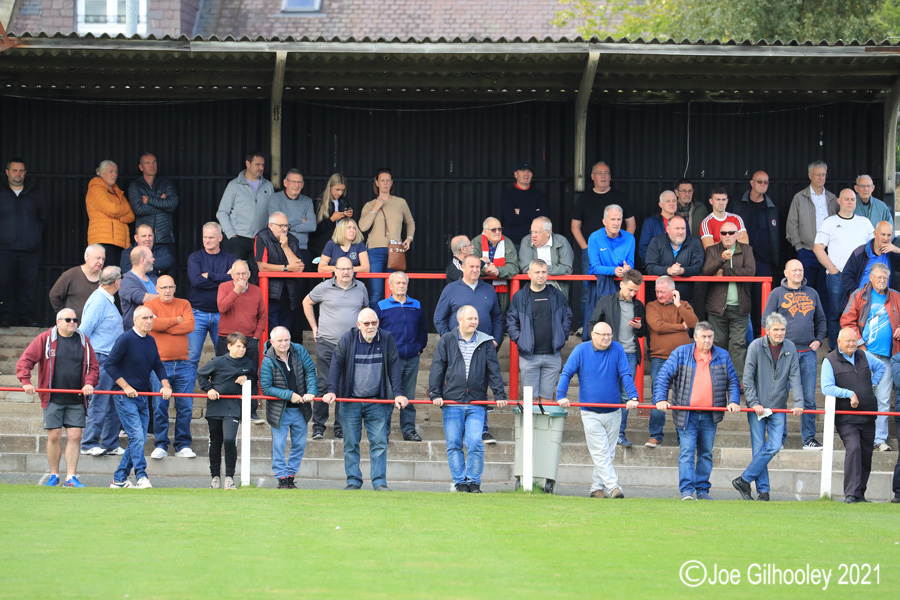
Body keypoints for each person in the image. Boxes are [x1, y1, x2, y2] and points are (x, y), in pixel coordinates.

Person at [653, 322, 741, 500]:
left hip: (710, 414)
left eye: (710, 337)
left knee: (706, 452)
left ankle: (702, 491)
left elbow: (732, 380)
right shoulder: (681, 353)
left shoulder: (722, 355)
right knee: (687, 451)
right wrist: (660, 398)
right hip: (686, 414)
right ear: (695, 337)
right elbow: (663, 376)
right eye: (704, 337)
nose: (707, 340)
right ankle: (686, 491)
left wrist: (733, 400)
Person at [323, 308, 408, 491]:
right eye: (367, 323)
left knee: (379, 443)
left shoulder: (386, 338)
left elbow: (394, 366)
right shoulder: (348, 339)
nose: (371, 327)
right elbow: (336, 364)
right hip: (350, 401)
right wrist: (331, 390)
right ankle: (353, 481)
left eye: (374, 323)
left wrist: (399, 393)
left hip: (377, 401)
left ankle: (379, 483)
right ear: (358, 325)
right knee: (350, 443)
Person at [16, 308, 99, 488]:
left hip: (76, 397)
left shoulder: (84, 341)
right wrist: (26, 381)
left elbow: (93, 366)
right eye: (68, 320)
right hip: (52, 397)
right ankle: (54, 475)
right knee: (54, 436)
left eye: (75, 320)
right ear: (58, 322)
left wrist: (89, 383)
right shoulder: (45, 339)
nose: (72, 323)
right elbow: (25, 361)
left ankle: (71, 477)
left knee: (75, 436)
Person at [556, 321, 639, 499]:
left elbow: (626, 374)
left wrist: (633, 396)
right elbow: (567, 373)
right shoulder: (580, 350)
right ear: (593, 335)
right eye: (603, 335)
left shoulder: (617, 349)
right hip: (590, 412)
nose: (607, 338)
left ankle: (596, 488)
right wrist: (561, 396)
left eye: (609, 334)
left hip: (614, 411)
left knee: (608, 453)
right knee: (600, 453)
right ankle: (613, 487)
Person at [430, 305, 507, 493]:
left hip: (476, 402)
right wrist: (435, 393)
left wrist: (499, 394)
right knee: (454, 444)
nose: (474, 322)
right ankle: (459, 482)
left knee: (474, 442)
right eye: (470, 318)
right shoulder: (447, 340)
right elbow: (437, 367)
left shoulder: (486, 341)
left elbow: (493, 370)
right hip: (452, 402)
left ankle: (474, 482)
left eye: (476, 318)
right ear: (460, 320)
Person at [731, 313, 804, 501]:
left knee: (774, 446)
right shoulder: (755, 346)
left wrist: (798, 402)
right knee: (759, 448)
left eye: (782, 330)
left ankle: (744, 479)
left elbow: (795, 376)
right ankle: (763, 491)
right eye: (776, 330)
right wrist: (754, 402)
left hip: (778, 406)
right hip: (757, 408)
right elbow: (747, 378)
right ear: (767, 330)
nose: (780, 333)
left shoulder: (790, 347)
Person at [433, 254, 503, 444]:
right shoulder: (451, 289)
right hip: (457, 348)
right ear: (462, 268)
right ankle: (459, 431)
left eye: (477, 267)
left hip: (484, 347)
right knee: (459, 383)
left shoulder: (488, 289)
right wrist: (449, 340)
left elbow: (497, 317)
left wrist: (496, 340)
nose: (474, 270)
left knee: (482, 386)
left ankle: (482, 429)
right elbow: (439, 318)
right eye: (470, 266)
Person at [106, 305, 173, 489]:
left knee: (139, 438)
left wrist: (165, 384)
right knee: (137, 437)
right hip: (125, 396)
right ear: (135, 320)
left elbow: (158, 365)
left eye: (151, 318)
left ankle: (119, 478)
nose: (149, 321)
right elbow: (110, 365)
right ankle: (141, 476)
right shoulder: (125, 339)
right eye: (145, 318)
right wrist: (126, 387)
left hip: (143, 397)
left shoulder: (150, 341)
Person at [763, 260, 827, 450]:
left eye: (801, 269)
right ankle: (778, 440)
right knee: (780, 397)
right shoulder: (776, 294)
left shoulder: (812, 293)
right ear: (786, 272)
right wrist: (776, 343)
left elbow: (821, 319)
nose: (798, 273)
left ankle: (809, 439)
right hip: (784, 354)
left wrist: (819, 340)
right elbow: (766, 320)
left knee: (809, 398)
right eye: (794, 270)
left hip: (808, 352)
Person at [302, 256, 369, 439]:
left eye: (349, 269)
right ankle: (318, 426)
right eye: (342, 269)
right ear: (335, 271)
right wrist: (314, 327)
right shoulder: (324, 287)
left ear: (353, 270)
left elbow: (365, 310)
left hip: (352, 344)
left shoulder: (361, 288)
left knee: (346, 386)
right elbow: (306, 302)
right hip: (327, 343)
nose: (346, 272)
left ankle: (340, 428)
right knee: (324, 384)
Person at [840, 263, 900, 453]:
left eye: (885, 278)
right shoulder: (859, 295)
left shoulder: (896, 296)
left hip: (888, 356)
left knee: (883, 398)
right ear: (871, 278)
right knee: (862, 395)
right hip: (863, 355)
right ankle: (859, 435)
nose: (882, 281)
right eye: (879, 277)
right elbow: (847, 321)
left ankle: (879, 439)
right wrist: (861, 346)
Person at [822, 327, 885, 503]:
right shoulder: (830, 360)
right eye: (848, 341)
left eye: (854, 341)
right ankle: (850, 493)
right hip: (846, 418)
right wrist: (849, 393)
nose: (851, 344)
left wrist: (872, 385)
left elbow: (880, 367)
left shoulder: (864, 355)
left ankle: (860, 494)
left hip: (868, 414)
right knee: (854, 449)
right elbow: (826, 387)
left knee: (866, 454)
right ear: (839, 342)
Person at [588, 269, 646, 447]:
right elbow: (592, 324)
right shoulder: (606, 301)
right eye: (630, 289)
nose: (632, 294)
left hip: (629, 354)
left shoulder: (638, 306)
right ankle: (604, 431)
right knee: (605, 392)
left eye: (635, 291)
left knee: (626, 395)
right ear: (621, 284)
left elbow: (644, 333)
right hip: (608, 352)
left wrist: (639, 326)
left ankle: (619, 432)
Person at [815, 188, 875, 349]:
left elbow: (874, 247)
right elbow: (818, 248)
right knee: (836, 314)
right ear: (839, 201)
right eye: (846, 199)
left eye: (853, 199)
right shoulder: (830, 222)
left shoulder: (864, 222)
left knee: (862, 312)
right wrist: (833, 270)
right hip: (838, 277)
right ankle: (836, 350)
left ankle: (859, 349)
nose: (850, 202)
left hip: (861, 278)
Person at [197, 332, 257, 490]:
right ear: (229, 346)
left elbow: (254, 380)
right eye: (238, 346)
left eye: (244, 347)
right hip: (216, 406)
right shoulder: (217, 361)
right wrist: (209, 389)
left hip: (234, 407)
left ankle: (230, 478)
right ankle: (215, 477)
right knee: (215, 442)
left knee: (230, 440)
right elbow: (201, 375)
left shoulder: (248, 363)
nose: (241, 349)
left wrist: (247, 379)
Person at [145, 275, 196, 460]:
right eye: (163, 287)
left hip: (183, 363)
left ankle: (183, 444)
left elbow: (190, 325)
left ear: (175, 288)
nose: (167, 290)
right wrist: (176, 320)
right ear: (156, 289)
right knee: (160, 406)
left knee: (185, 406)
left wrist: (165, 326)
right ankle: (161, 444)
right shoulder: (150, 306)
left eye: (171, 287)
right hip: (160, 365)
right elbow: (152, 323)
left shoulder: (184, 303)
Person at [507, 259, 572, 406]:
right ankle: (530, 429)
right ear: (529, 274)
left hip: (552, 355)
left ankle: (544, 430)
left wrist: (563, 335)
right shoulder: (520, 296)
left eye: (543, 272)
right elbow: (511, 321)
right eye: (537, 272)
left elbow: (567, 316)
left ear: (547, 274)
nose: (540, 275)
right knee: (530, 401)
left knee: (548, 399)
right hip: (529, 355)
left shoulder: (557, 295)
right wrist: (519, 339)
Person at [644, 276, 699, 448]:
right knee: (658, 397)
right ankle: (656, 435)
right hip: (660, 358)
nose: (659, 295)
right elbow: (658, 326)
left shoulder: (683, 305)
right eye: (657, 291)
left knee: (683, 398)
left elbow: (694, 324)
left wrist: (678, 305)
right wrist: (681, 328)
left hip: (683, 360)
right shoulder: (652, 306)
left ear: (673, 292)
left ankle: (682, 435)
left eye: (663, 292)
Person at [260, 326, 317, 489]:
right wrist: (289, 394)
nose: (284, 343)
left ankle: (291, 476)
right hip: (280, 411)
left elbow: (311, 372)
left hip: (301, 409)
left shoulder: (299, 350)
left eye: (287, 340)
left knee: (299, 445)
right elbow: (266, 388)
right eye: (280, 341)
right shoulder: (267, 360)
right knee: (278, 445)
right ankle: (281, 478)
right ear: (272, 342)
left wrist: (311, 391)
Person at [374, 271, 428, 441]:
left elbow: (422, 329)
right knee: (389, 396)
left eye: (404, 283)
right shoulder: (381, 306)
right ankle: (385, 431)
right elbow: (376, 332)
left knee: (409, 396)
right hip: (390, 359)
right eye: (397, 283)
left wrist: (419, 348)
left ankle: (409, 430)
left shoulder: (416, 305)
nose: (401, 286)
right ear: (390, 286)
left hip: (412, 357)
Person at [79, 266, 124, 457]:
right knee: (99, 401)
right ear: (116, 282)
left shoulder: (107, 300)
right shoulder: (98, 301)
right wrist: (89, 361)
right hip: (100, 357)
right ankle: (88, 443)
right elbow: (84, 331)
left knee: (114, 403)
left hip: (112, 360)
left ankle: (110, 443)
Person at [702, 222, 755, 380]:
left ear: (738, 234)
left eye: (731, 233)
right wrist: (721, 259)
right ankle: (718, 379)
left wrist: (724, 272)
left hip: (740, 307)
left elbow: (750, 272)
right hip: (717, 308)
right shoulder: (713, 250)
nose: (727, 236)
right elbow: (706, 271)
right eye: (723, 233)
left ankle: (737, 381)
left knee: (738, 345)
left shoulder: (746, 249)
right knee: (717, 344)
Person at [786, 160, 838, 320]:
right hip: (807, 251)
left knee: (827, 292)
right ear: (810, 176)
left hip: (828, 252)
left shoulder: (832, 198)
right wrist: (799, 247)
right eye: (818, 174)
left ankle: (827, 329)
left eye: (824, 174)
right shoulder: (799, 198)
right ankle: (805, 325)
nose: (821, 178)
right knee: (803, 291)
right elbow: (791, 224)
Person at [216, 260, 266, 423]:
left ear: (249, 274)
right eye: (237, 273)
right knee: (223, 375)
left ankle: (251, 411)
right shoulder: (224, 287)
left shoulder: (256, 291)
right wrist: (236, 291)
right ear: (231, 274)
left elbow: (262, 316)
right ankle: (224, 410)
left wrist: (256, 336)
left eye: (244, 273)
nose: (241, 277)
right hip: (226, 339)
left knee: (250, 375)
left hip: (249, 339)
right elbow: (222, 307)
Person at [731, 171, 780, 337]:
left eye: (766, 182)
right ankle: (744, 336)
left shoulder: (771, 206)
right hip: (742, 259)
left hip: (764, 260)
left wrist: (775, 258)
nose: (763, 185)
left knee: (763, 300)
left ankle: (762, 336)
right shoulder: (738, 205)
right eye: (760, 181)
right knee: (743, 299)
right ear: (751, 183)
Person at [186, 222, 235, 385]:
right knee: (192, 356)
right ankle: (187, 392)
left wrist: (210, 275)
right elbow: (196, 281)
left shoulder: (230, 259)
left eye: (211, 237)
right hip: (197, 313)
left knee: (223, 356)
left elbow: (234, 281)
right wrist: (222, 279)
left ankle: (221, 389)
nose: (207, 240)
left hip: (222, 314)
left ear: (220, 238)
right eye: (205, 237)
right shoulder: (195, 257)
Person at [0, 157, 46, 327]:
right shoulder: (1, 193)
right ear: (7, 172)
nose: (18, 174)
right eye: (14, 170)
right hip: (5, 248)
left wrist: (33, 236)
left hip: (30, 249)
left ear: (25, 173)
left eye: (21, 171)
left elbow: (43, 219)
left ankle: (27, 318)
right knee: (5, 284)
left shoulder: (35, 194)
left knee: (28, 285)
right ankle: (5, 317)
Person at [358, 168, 415, 306]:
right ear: (376, 183)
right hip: (374, 251)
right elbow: (362, 227)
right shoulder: (370, 205)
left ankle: (389, 323)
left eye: (388, 180)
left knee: (394, 291)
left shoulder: (400, 202)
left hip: (395, 250)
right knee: (376, 292)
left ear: (391, 183)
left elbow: (410, 222)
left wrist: (409, 238)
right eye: (382, 180)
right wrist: (376, 207)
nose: (385, 183)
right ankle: (373, 324)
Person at [216, 151, 274, 266]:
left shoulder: (268, 186)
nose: (261, 168)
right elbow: (222, 212)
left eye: (263, 165)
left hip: (260, 239)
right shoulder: (234, 185)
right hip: (237, 238)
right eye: (257, 164)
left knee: (257, 275)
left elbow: (272, 212)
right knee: (236, 273)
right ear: (248, 163)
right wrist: (231, 234)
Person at [585, 204, 635, 335]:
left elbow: (630, 263)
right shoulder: (594, 237)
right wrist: (614, 270)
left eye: (619, 219)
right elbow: (595, 267)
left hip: (622, 285)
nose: (616, 223)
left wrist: (627, 268)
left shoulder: (630, 238)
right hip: (599, 286)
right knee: (598, 323)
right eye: (612, 219)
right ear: (604, 221)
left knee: (621, 324)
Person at [254, 211, 304, 331]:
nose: (284, 229)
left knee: (285, 330)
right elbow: (262, 267)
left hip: (288, 293)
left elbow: (299, 268)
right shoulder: (261, 237)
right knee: (272, 330)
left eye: (286, 226)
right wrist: (286, 268)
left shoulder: (292, 240)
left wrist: (285, 247)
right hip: (270, 293)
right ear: (271, 226)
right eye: (280, 225)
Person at [643, 214, 704, 303]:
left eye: (683, 228)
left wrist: (682, 271)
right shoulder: (656, 242)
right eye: (677, 228)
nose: (681, 232)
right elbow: (650, 267)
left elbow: (698, 267)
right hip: (658, 300)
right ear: (668, 229)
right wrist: (668, 270)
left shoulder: (694, 243)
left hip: (685, 301)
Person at [126, 152, 179, 254]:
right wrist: (162, 204)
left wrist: (149, 200)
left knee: (167, 268)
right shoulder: (135, 186)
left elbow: (172, 204)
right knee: (145, 270)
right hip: (144, 241)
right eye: (148, 163)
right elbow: (138, 209)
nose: (152, 165)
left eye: (154, 162)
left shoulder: (166, 183)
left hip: (165, 238)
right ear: (141, 167)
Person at [86, 159, 134, 268]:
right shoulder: (96, 189)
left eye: (116, 171)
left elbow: (131, 215)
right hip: (103, 240)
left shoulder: (117, 191)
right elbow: (112, 209)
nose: (114, 174)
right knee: (106, 276)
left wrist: (116, 216)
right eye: (111, 171)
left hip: (119, 241)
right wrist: (120, 212)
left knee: (116, 276)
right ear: (101, 173)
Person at [841, 220, 900, 310]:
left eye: (889, 235)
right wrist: (858, 295)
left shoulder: (892, 253)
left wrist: (897, 250)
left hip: (884, 303)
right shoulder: (861, 252)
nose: (886, 238)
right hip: (862, 302)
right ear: (875, 233)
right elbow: (846, 276)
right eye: (883, 234)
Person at [471, 216, 519, 313]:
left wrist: (498, 271)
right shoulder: (476, 243)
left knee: (500, 316)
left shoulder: (507, 242)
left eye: (500, 229)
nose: (497, 232)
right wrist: (485, 270)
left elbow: (514, 266)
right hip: (481, 285)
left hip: (502, 289)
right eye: (493, 230)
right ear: (485, 231)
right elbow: (470, 264)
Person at [517, 217, 574, 297]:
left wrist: (540, 270)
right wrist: (546, 271)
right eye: (532, 232)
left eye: (537, 232)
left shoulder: (562, 241)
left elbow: (567, 268)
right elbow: (525, 268)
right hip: (533, 287)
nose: (533, 236)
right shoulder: (526, 240)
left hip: (556, 286)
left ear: (548, 232)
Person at [48, 244, 105, 320]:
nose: (101, 262)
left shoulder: (106, 277)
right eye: (98, 258)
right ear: (87, 256)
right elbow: (54, 295)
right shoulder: (70, 275)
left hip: (99, 328)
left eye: (103, 259)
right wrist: (64, 315)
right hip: (74, 328)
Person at [500, 161, 549, 243]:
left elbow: (544, 217)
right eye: (523, 171)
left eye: (529, 171)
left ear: (532, 175)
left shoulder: (539, 194)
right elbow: (510, 219)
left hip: (535, 241)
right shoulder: (507, 194)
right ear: (516, 175)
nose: (526, 174)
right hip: (514, 242)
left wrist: (521, 211)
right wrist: (534, 213)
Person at [309, 173, 351, 259]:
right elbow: (313, 230)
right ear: (330, 187)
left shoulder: (344, 203)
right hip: (320, 250)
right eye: (337, 189)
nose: (340, 193)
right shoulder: (318, 203)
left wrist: (349, 218)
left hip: (339, 249)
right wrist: (331, 219)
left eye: (342, 190)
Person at [638, 190, 683, 263]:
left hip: (679, 267)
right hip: (657, 268)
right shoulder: (650, 222)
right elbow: (643, 249)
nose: (672, 204)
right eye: (668, 201)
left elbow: (688, 246)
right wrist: (653, 266)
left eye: (674, 201)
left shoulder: (682, 222)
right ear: (660, 204)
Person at [120, 246, 158, 329]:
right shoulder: (126, 280)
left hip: (156, 330)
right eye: (151, 257)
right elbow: (141, 298)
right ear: (143, 260)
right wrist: (164, 297)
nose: (153, 259)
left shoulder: (153, 277)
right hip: (136, 333)